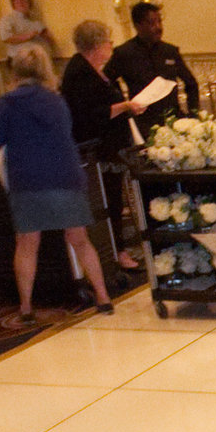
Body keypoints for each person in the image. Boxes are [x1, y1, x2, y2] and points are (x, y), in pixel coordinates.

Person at [0, 52, 114, 323]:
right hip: (65, 176)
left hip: (28, 181)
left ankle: (26, 307)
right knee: (79, 239)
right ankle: (103, 297)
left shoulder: (6, 104)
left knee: (28, 243)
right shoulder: (56, 101)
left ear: (14, 73)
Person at [60, 18, 148, 271]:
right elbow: (90, 114)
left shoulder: (94, 69)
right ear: (96, 45)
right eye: (108, 40)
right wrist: (125, 106)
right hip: (98, 148)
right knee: (108, 200)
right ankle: (116, 252)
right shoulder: (79, 72)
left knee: (114, 198)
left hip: (111, 143)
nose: (111, 45)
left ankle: (117, 249)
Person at [107, 2, 198, 132]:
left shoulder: (170, 51)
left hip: (174, 122)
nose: (158, 27)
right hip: (144, 125)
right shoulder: (124, 53)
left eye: (159, 22)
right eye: (151, 23)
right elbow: (107, 82)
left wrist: (192, 116)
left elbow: (191, 84)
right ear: (138, 26)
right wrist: (124, 105)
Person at [0, 0, 54, 76]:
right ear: (13, 3)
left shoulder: (36, 21)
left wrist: (46, 37)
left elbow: (49, 40)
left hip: (39, 62)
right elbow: (6, 38)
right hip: (20, 62)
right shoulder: (7, 20)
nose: (20, 2)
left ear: (29, 1)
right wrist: (29, 36)